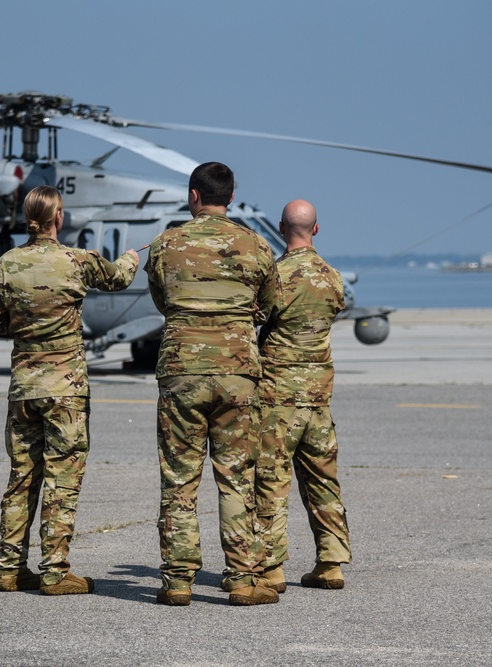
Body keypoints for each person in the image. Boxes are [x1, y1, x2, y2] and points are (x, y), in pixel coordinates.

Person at [0, 185, 139, 595]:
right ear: (59, 217)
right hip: (65, 388)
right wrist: (131, 258)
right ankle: (54, 570)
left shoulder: (8, 263)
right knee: (62, 478)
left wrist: (25, 330)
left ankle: (9, 568)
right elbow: (118, 279)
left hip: (25, 388)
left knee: (21, 477)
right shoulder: (75, 261)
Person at [146, 161, 281, 606]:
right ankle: (242, 579)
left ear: (193, 196)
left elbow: (162, 300)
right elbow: (268, 303)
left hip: (182, 370)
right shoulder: (257, 245)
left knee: (179, 479)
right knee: (237, 478)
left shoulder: (166, 243)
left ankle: (179, 581)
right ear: (232, 197)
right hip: (238, 374)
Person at [255, 199, 351, 592]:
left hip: (278, 396)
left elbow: (257, 315)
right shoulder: (333, 277)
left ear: (281, 228)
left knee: (271, 480)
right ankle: (330, 563)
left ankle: (271, 567)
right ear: (316, 229)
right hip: (318, 397)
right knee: (323, 479)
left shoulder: (276, 276)